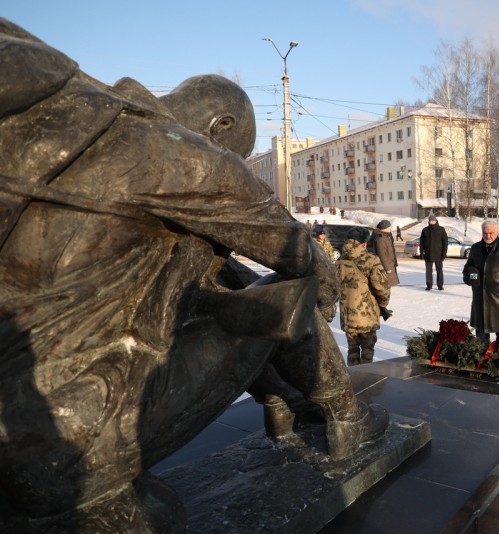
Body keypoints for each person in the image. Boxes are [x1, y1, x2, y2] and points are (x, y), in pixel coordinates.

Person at [0, 22, 388, 531]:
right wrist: (323, 296)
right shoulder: (181, 157)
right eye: (239, 156)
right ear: (221, 128)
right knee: (286, 295)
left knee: (224, 292)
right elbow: (299, 254)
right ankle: (348, 423)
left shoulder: (77, 126)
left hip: (14, 439)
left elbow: (198, 281)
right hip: (71, 444)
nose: (235, 165)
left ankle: (283, 405)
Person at [337, 238, 391, 365]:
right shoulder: (371, 260)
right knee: (367, 349)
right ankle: (366, 378)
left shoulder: (339, 263)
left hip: (348, 315)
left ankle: (354, 377)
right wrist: (383, 303)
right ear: (364, 244)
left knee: (352, 349)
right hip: (367, 314)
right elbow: (381, 286)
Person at [463, 221, 499, 341]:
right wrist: (469, 278)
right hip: (480, 299)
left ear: (497, 232)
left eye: (491, 233)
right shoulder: (476, 248)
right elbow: (468, 268)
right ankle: (482, 358)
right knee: (481, 340)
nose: (488, 236)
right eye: (485, 233)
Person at [420, 214, 448, 290]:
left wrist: (444, 254)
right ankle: (429, 285)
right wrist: (421, 252)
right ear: (429, 221)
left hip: (438, 254)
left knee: (439, 271)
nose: (432, 222)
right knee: (428, 272)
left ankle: (440, 285)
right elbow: (421, 242)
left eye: (433, 221)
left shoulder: (441, 229)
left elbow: (445, 242)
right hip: (428, 254)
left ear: (436, 221)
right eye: (431, 221)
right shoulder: (425, 230)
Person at [371, 219, 400, 287]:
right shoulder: (380, 239)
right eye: (389, 227)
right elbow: (382, 255)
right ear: (385, 228)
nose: (390, 228)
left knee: (388, 285)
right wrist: (387, 268)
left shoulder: (386, 236)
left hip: (389, 264)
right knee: (385, 286)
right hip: (385, 266)